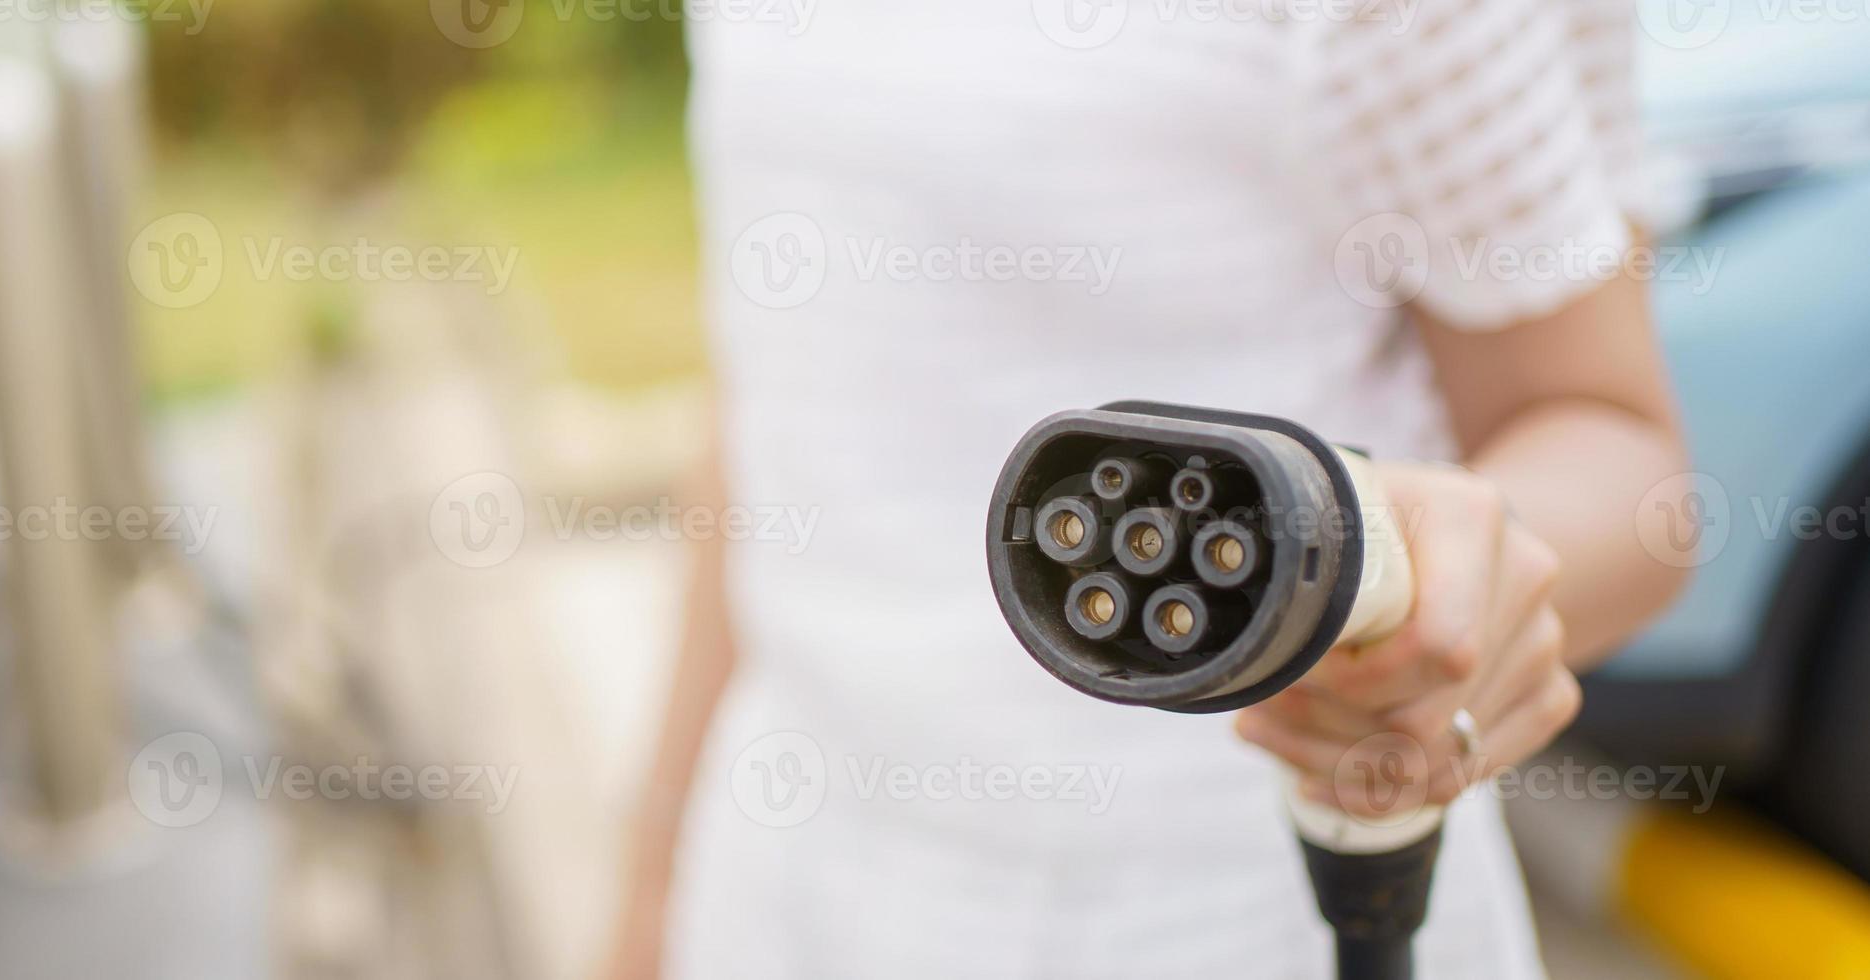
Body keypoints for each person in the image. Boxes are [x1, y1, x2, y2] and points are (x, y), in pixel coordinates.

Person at [605, 1, 1694, 976]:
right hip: (777, 865)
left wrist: (1467, 585)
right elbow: (774, 406)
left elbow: (1616, 448)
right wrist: (651, 880)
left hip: (1225, 906)